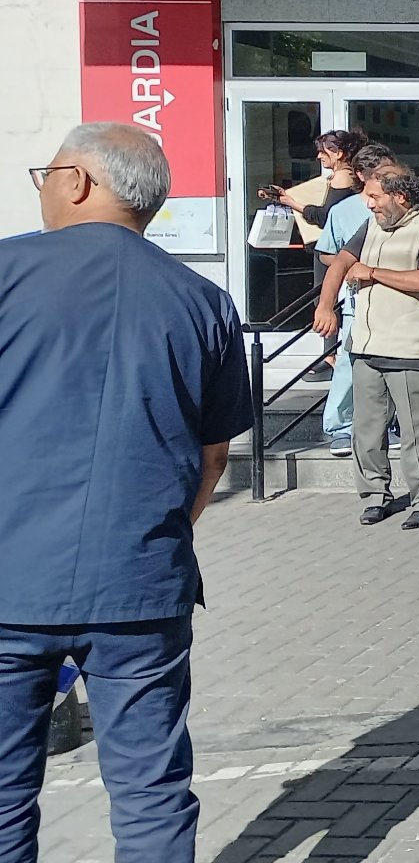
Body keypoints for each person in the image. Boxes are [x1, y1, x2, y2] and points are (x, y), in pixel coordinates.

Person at [0, 123, 254, 863]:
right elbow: (214, 454)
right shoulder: (203, 301)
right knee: (150, 793)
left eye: (45, 172)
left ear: (76, 180)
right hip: (143, 581)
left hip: (12, 578)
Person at [312, 166, 419, 529]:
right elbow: (340, 265)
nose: (369, 203)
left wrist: (373, 272)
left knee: (417, 429)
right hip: (365, 345)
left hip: (408, 349)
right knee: (367, 428)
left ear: (401, 197)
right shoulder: (371, 227)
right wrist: (325, 306)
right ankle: (376, 496)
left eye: (376, 196)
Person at [313, 141, 395, 457]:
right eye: (379, 172)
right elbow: (325, 252)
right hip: (356, 300)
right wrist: (345, 267)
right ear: (361, 175)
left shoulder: (398, 205)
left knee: (392, 365)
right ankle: (340, 427)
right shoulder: (342, 211)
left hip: (393, 299)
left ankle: (389, 423)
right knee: (349, 364)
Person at [261, 128, 365, 229]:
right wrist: (287, 196)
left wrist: (291, 203)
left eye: (323, 152)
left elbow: (324, 217)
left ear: (338, 154)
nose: (319, 156)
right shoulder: (348, 174)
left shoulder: (342, 176)